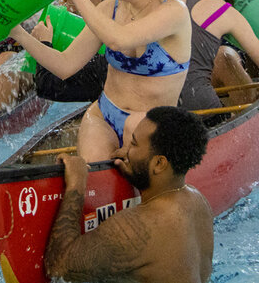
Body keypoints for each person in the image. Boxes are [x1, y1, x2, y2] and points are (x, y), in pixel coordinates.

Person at [10, 0, 191, 162]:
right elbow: (65, 65)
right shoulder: (108, 9)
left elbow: (118, 39)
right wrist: (20, 35)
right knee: (91, 183)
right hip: (104, 116)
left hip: (152, 127)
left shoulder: (174, 13)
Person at [45, 106, 213, 283]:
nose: (124, 151)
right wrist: (138, 172)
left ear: (159, 164)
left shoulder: (134, 229)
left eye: (133, 144)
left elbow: (57, 268)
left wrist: (76, 186)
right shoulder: (199, 202)